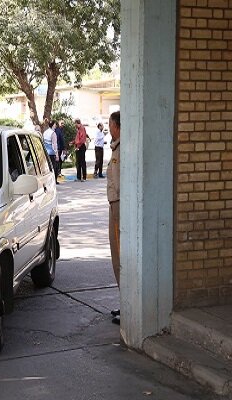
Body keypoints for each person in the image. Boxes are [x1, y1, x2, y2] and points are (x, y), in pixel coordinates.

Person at [107, 111, 121, 325]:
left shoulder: (122, 148)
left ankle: (128, 305)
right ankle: (125, 301)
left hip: (120, 205)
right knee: (116, 256)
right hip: (114, 204)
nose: (108, 127)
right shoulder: (116, 146)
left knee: (121, 256)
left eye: (110, 124)